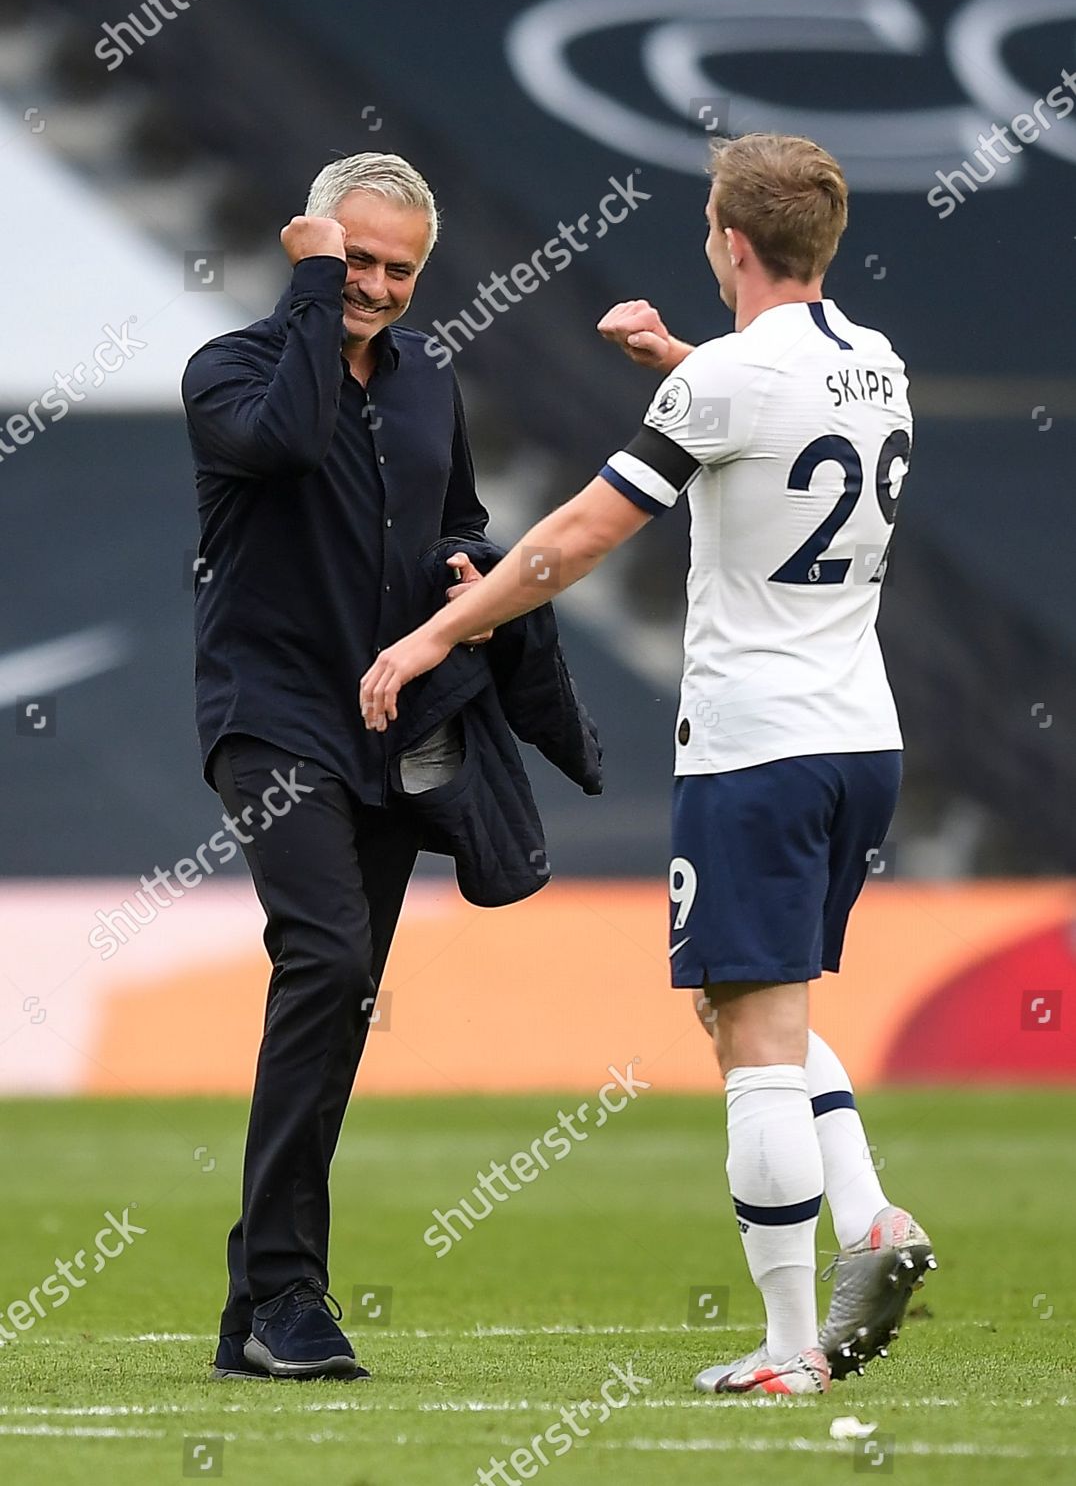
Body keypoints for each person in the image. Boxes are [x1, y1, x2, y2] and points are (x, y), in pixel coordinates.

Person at [359, 132, 936, 1396]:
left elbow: (571, 540)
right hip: (859, 739)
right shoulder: (873, 362)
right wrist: (683, 366)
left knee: (756, 1039)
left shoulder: (726, 383)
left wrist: (436, 630)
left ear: (727, 241)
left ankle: (792, 1349)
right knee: (751, 1007)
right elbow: (787, 446)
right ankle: (873, 1219)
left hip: (754, 746)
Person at [181, 152, 495, 1381]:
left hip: (383, 724)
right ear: (310, 245)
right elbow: (291, 440)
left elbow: (452, 515)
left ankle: (252, 1308)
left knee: (338, 990)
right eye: (351, 258)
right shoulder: (232, 371)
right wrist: (312, 293)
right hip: (269, 718)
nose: (372, 284)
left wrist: (468, 567)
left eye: (394, 268)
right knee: (325, 957)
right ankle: (285, 1293)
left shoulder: (431, 388)